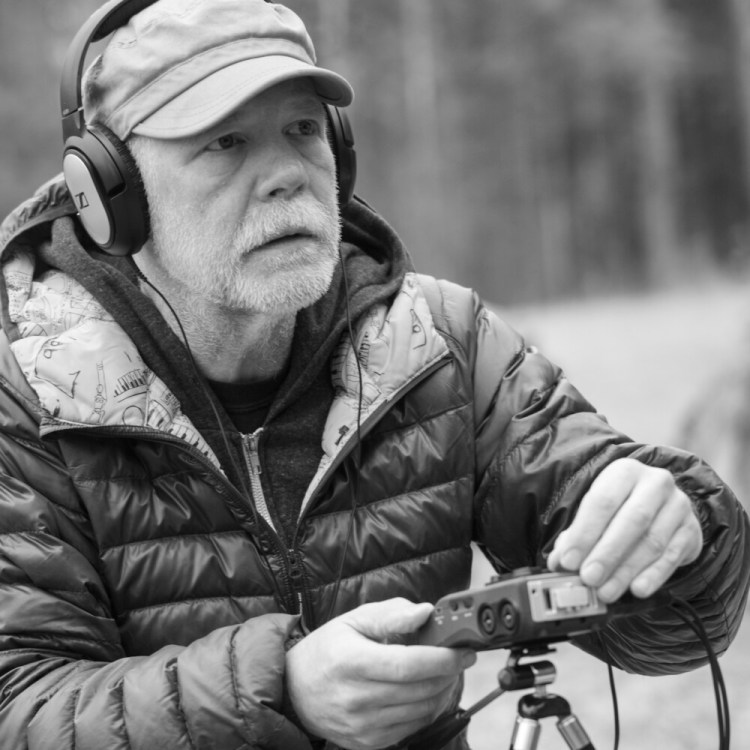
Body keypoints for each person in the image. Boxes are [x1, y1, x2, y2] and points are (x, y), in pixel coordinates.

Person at [0, 1, 747, 748]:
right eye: (225, 142)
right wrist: (278, 689)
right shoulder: (23, 397)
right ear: (110, 194)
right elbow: (18, 707)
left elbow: (678, 634)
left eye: (302, 129)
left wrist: (680, 537)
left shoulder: (441, 344)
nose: (287, 177)